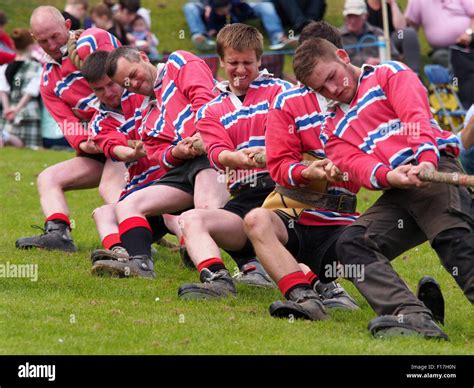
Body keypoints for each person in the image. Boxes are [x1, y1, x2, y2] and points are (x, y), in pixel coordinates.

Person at [293, 37, 473, 340]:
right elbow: (355, 165)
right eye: (321, 89)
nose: (333, 90)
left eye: (332, 78)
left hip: (435, 171)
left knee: (457, 245)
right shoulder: (332, 128)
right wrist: (390, 177)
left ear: (341, 55)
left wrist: (426, 162)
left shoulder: (390, 73)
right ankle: (411, 316)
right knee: (351, 242)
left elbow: (415, 120)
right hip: (397, 191)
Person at [89, 46, 229, 278]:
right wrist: (177, 152)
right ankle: (138, 263)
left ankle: (235, 271)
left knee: (203, 213)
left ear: (144, 57)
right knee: (127, 204)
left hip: (212, 155)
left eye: (133, 75)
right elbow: (158, 154)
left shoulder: (178, 62)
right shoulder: (145, 113)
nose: (132, 84)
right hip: (181, 169)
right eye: (126, 83)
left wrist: (200, 135)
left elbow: (204, 98)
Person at [176, 23, 294, 299]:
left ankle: (319, 285)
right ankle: (218, 281)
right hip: (242, 196)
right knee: (190, 219)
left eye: (247, 63)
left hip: (282, 191)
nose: (240, 70)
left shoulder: (282, 91)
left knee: (295, 242)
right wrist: (237, 158)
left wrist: (270, 154)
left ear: (260, 60)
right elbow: (217, 152)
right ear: (220, 61)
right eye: (233, 63)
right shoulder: (211, 108)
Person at [15, 6, 126, 253]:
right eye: (43, 40)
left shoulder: (94, 39)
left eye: (55, 36)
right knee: (48, 178)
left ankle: (137, 237)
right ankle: (59, 235)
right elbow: (67, 122)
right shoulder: (47, 79)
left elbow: (122, 85)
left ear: (67, 25)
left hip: (128, 135)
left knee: (111, 188)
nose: (52, 44)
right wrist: (83, 143)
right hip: (97, 146)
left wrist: (106, 135)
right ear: (34, 39)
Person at [183, 0, 297, 51]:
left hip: (238, 6)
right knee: (190, 7)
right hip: (210, 6)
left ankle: (278, 38)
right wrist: (208, 4)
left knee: (266, 6)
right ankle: (200, 38)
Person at [0, 28, 42, 149]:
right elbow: (30, 92)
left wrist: (8, 109)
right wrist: (17, 109)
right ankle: (5, 136)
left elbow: (3, 90)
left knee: (15, 144)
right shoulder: (36, 67)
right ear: (31, 46)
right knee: (28, 146)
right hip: (27, 112)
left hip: (8, 112)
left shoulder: (4, 68)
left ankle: (5, 136)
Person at [366, 0, 421, 74]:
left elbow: (401, 28)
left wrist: (393, 4)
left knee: (407, 33)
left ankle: (414, 74)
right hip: (370, 44)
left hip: (391, 42)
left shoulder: (389, 4)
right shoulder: (362, 5)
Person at [339, 0, 399, 67]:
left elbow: (394, 56)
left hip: (377, 74)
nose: (352, 21)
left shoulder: (378, 34)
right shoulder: (338, 37)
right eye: (349, 16)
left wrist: (381, 61)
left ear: (366, 16)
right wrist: (364, 62)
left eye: (356, 16)